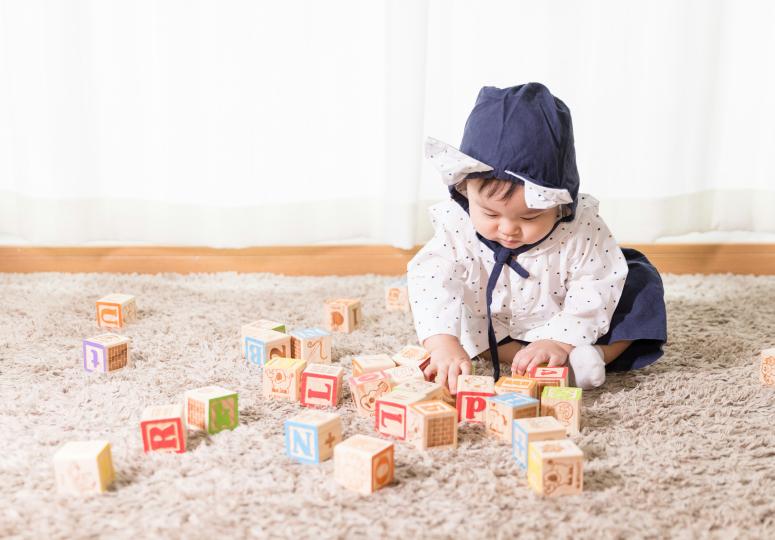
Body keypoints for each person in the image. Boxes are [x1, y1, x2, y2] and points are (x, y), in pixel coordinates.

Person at [407, 83, 667, 393]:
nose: (508, 229)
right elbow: (431, 279)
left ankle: (593, 356)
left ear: (560, 205)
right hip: (496, 321)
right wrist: (442, 345)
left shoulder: (581, 228)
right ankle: (527, 361)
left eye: (529, 217)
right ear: (464, 190)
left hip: (568, 313)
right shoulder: (457, 225)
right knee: (455, 317)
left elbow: (597, 284)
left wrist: (559, 338)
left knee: (638, 284)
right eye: (490, 214)